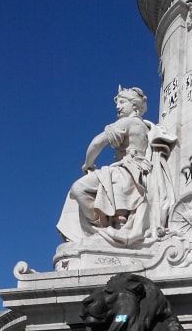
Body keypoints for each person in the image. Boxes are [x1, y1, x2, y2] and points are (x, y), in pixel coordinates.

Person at [57, 86, 176, 247]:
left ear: (134, 106)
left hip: (126, 171)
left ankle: (98, 229)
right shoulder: (143, 126)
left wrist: (88, 164)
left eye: (122, 102)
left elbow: (96, 143)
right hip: (134, 172)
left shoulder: (127, 122)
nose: (118, 107)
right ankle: (105, 226)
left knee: (78, 188)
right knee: (81, 190)